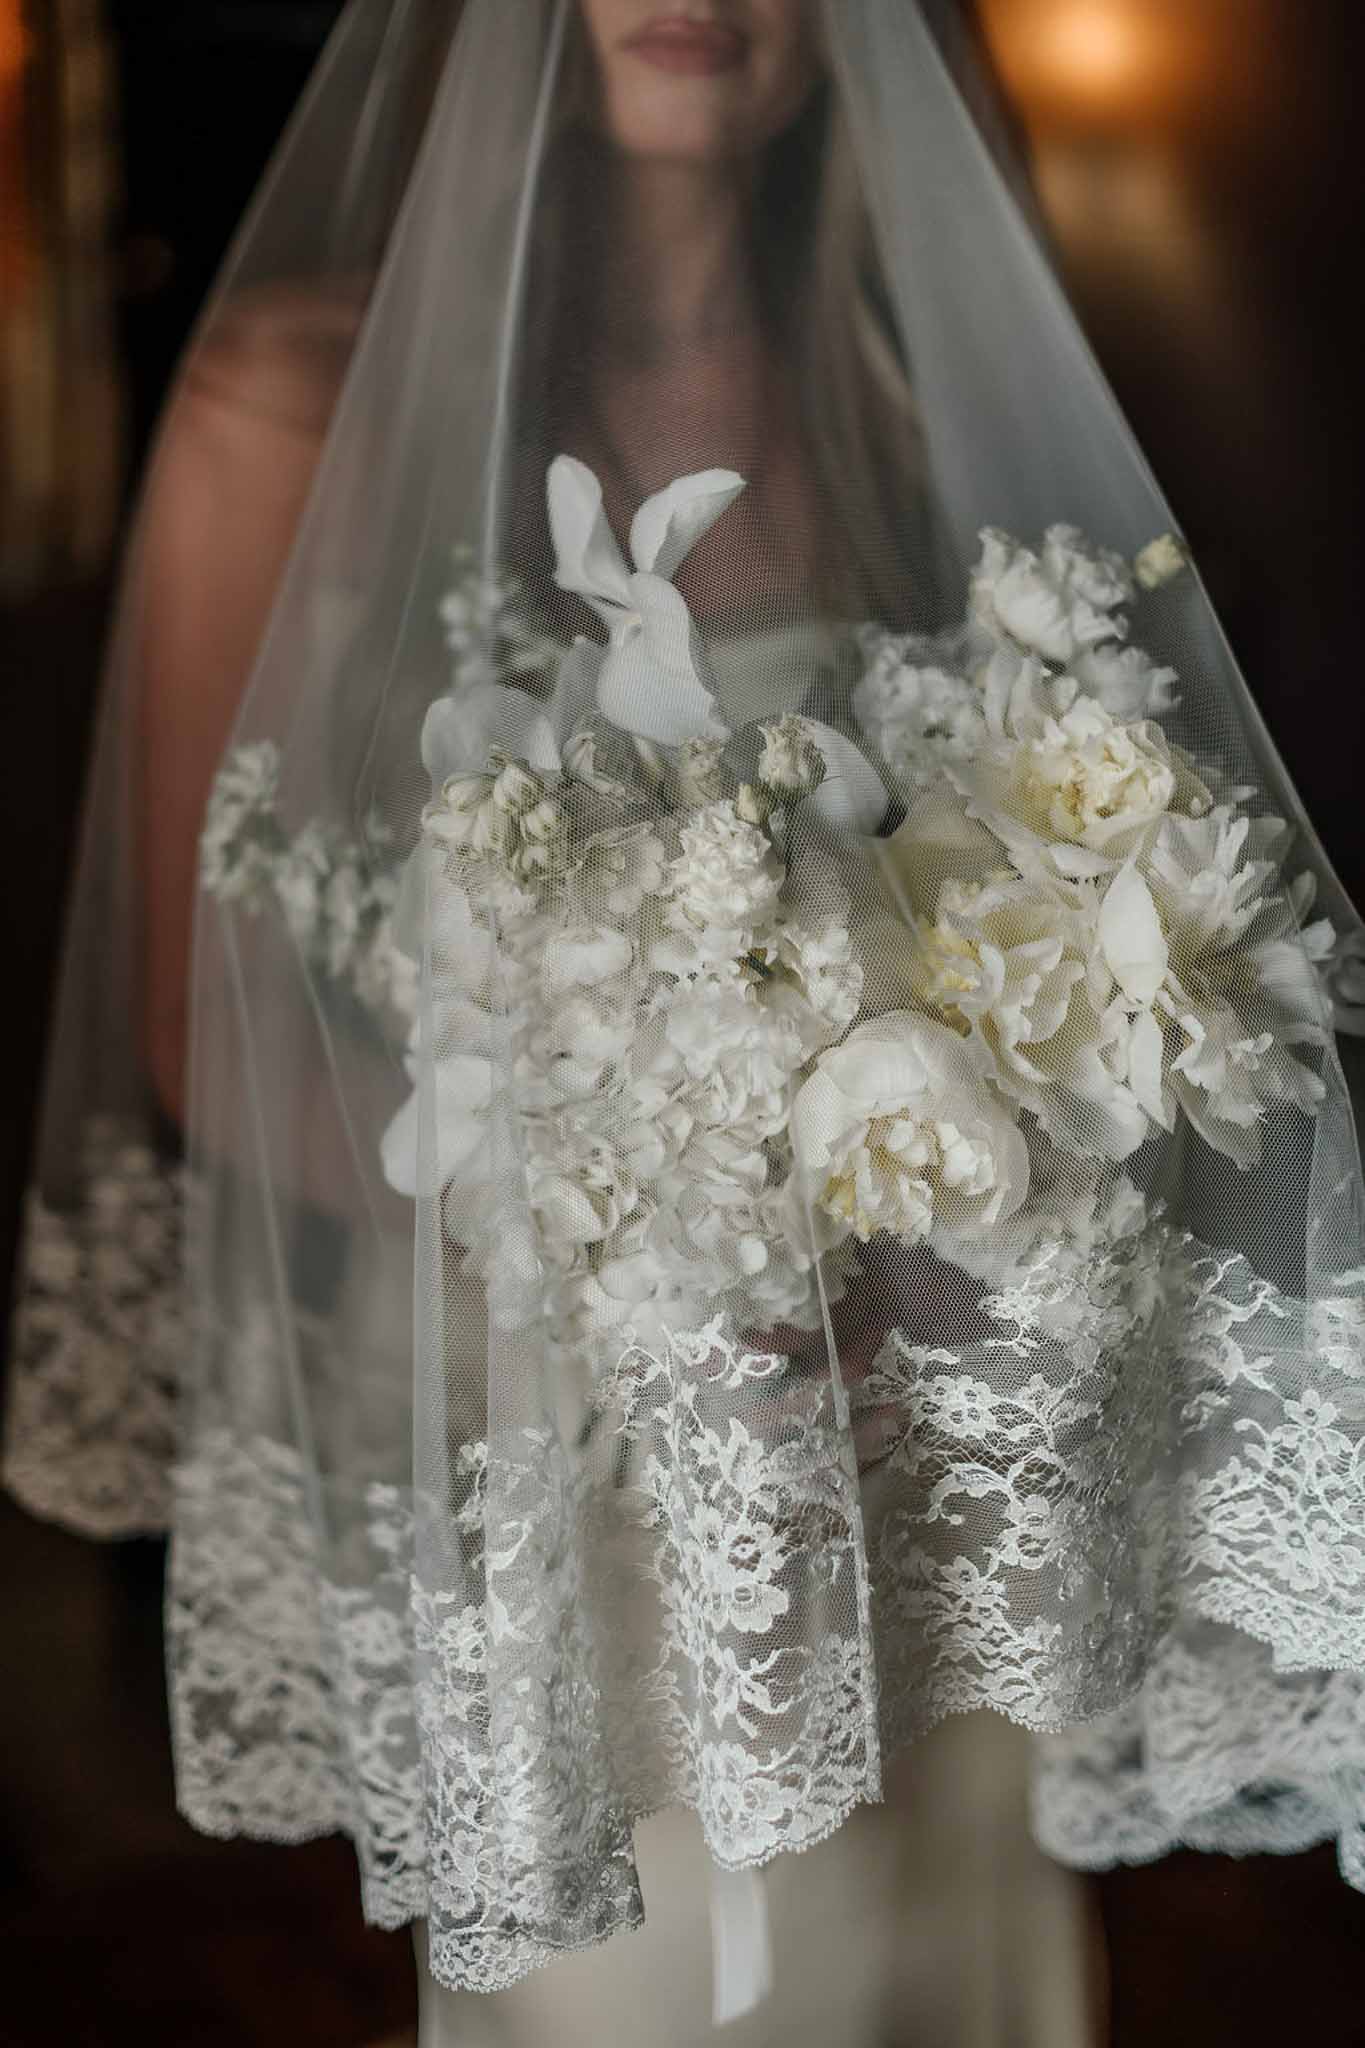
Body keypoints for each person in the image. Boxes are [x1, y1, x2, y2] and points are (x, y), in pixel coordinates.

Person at [7, 4, 1363, 2043]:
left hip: (927, 1384)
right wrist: (653, 1247)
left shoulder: (922, 384)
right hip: (569, 1426)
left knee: (943, 1958)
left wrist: (953, 1187)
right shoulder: (290, 401)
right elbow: (211, 1039)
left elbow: (1095, 915)